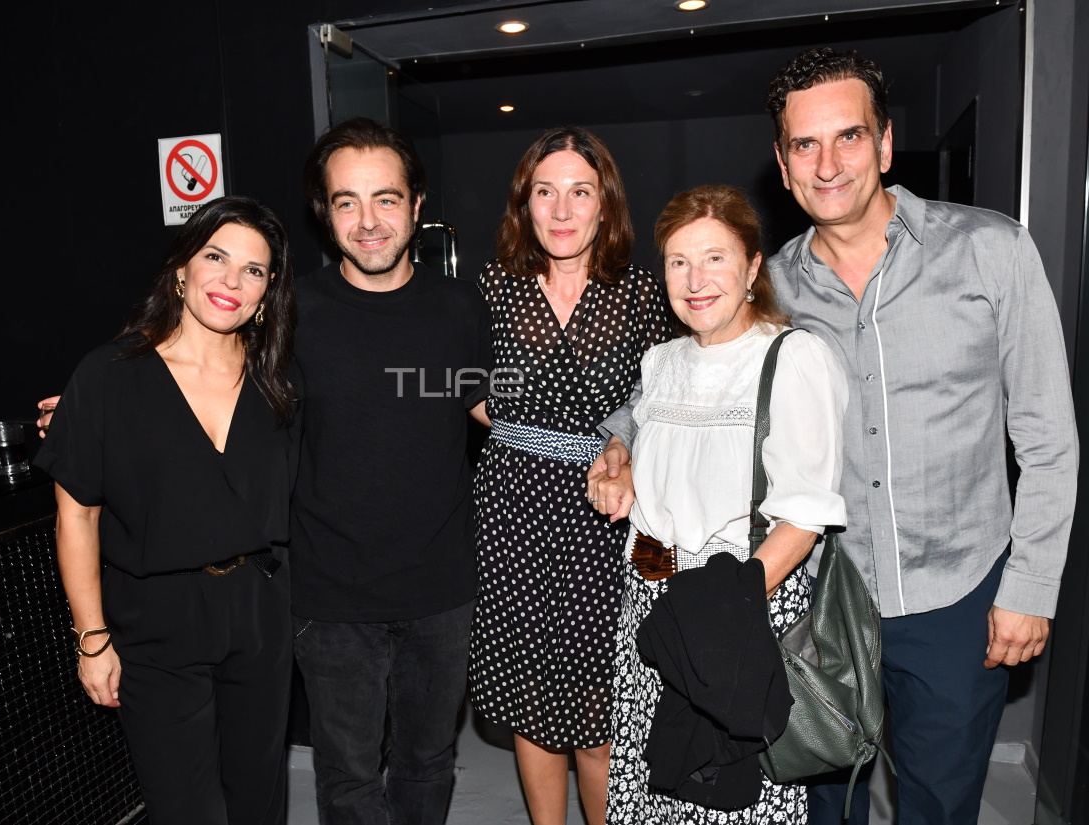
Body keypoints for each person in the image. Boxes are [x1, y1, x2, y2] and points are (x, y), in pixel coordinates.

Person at [594, 48, 1079, 825]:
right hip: (817, 601)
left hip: (956, 596)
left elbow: (1049, 436)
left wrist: (1029, 587)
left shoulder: (991, 251)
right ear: (783, 165)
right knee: (821, 806)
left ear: (883, 144)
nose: (827, 164)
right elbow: (679, 380)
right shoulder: (769, 286)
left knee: (940, 805)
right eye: (804, 145)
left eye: (848, 136)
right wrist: (618, 442)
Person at [35, 196, 299, 825]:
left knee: (258, 800)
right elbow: (77, 517)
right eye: (216, 257)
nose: (232, 281)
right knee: (184, 808)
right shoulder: (108, 375)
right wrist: (92, 640)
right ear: (182, 268)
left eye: (254, 270)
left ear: (267, 293)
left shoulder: (280, 380)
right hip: (155, 618)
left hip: (261, 612)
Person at [592, 184, 848, 824]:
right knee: (651, 792)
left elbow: (805, 516)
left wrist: (724, 603)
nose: (695, 280)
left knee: (727, 799)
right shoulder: (661, 362)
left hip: (741, 603)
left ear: (753, 267)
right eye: (678, 262)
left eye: (714, 258)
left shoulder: (792, 357)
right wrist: (622, 465)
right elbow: (659, 470)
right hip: (654, 602)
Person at [289, 118, 492, 825]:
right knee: (347, 776)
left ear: (416, 204)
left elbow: (497, 409)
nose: (368, 220)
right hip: (331, 595)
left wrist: (618, 435)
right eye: (346, 201)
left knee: (427, 762)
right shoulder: (292, 312)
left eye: (386, 198)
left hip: (440, 590)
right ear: (325, 211)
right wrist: (112, 401)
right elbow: (212, 386)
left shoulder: (459, 307)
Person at [469, 125, 672, 825]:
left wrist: (617, 449)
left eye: (579, 192)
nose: (561, 210)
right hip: (514, 509)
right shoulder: (493, 289)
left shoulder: (642, 293)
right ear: (523, 204)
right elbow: (466, 389)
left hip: (607, 512)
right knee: (532, 697)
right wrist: (532, 438)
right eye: (544, 192)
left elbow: (662, 397)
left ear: (604, 203)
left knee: (601, 704)